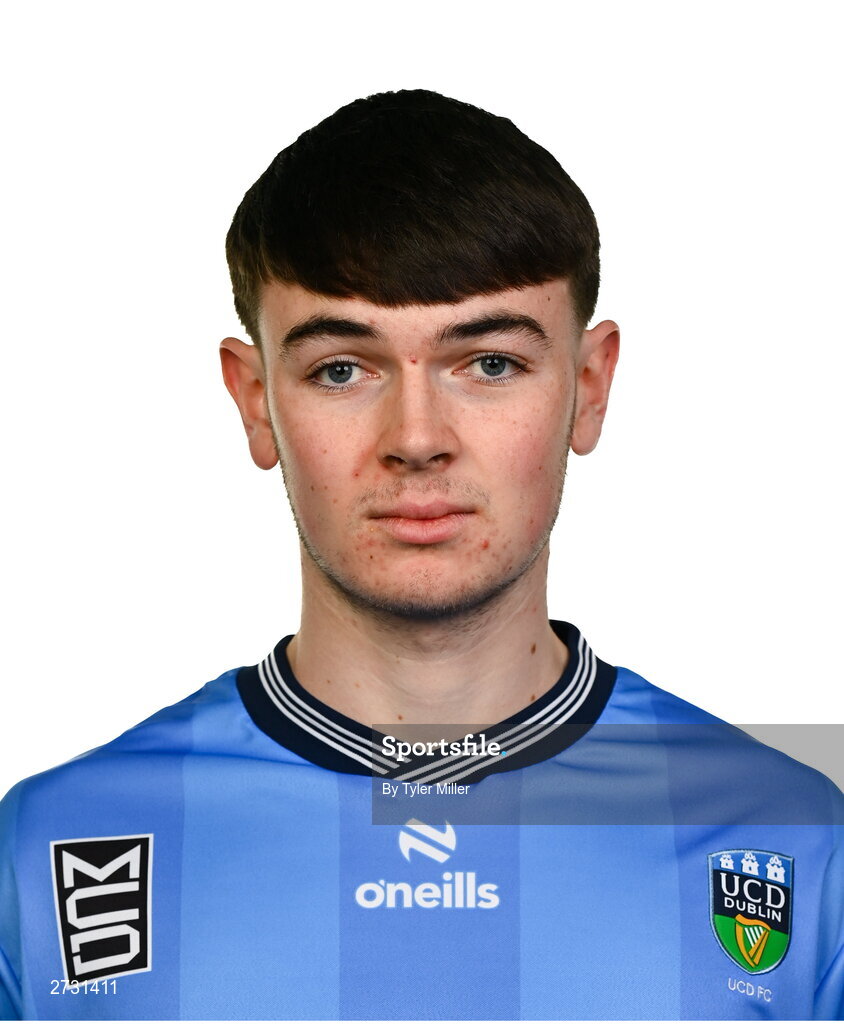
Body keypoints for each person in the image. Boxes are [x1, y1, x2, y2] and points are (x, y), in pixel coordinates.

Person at [0, 89, 841, 1022]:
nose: (416, 439)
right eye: (341, 369)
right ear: (254, 400)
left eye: (489, 364)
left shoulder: (798, 844)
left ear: (590, 386)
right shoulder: (50, 853)